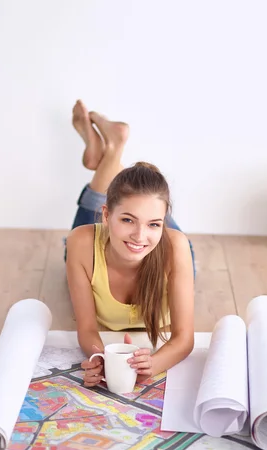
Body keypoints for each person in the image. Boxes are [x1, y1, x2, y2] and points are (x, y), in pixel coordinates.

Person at [66, 100, 195, 388]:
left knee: (139, 202)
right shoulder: (83, 242)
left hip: (169, 251)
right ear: (108, 216)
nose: (138, 235)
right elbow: (86, 328)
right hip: (102, 236)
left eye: (154, 224)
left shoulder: (175, 246)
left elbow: (184, 339)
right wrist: (99, 358)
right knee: (97, 213)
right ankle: (112, 149)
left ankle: (111, 149)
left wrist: (152, 366)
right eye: (126, 220)